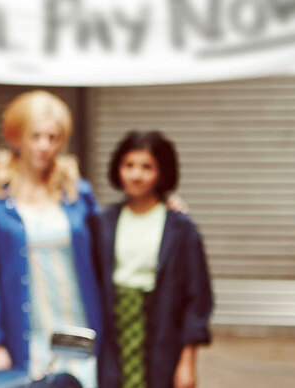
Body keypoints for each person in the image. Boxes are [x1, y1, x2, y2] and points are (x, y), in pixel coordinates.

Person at [0, 90, 102, 387]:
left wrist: (165, 205)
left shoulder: (77, 194)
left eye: (53, 137)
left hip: (79, 326)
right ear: (18, 137)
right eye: (36, 136)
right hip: (28, 332)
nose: (45, 146)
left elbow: (108, 245)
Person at [91, 131, 212, 388]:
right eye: (129, 165)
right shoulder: (103, 222)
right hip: (115, 334)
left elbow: (197, 297)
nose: (136, 174)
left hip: (161, 333)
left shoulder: (180, 228)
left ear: (162, 172)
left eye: (147, 167)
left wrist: (187, 361)